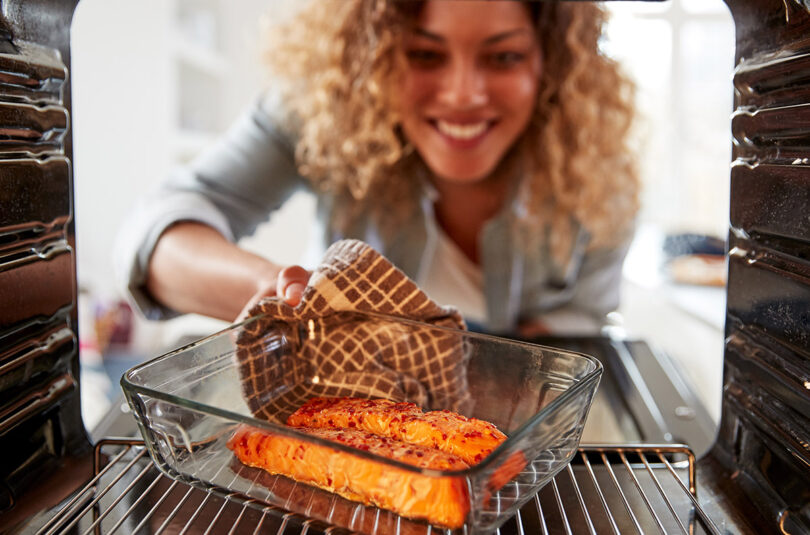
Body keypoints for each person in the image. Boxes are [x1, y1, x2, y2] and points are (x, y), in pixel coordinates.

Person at [114, 0, 639, 337]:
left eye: (503, 58)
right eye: (425, 55)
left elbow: (581, 327)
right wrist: (284, 295)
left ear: (549, 63)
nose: (463, 95)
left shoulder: (596, 172)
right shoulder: (321, 113)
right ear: (375, 57)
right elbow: (154, 235)